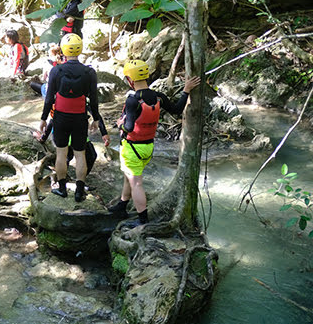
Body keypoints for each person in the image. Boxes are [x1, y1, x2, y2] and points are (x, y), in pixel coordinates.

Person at [108, 60, 201, 225]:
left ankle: (142, 220)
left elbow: (129, 127)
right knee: (129, 177)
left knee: (136, 183)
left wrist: (120, 123)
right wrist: (186, 90)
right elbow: (177, 109)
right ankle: (122, 205)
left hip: (132, 148)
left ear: (130, 80)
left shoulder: (132, 101)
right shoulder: (159, 97)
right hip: (148, 147)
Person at [38, 33, 109, 201]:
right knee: (80, 154)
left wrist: (43, 118)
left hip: (61, 118)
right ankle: (79, 191)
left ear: (63, 49)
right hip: (80, 118)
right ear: (80, 49)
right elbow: (93, 98)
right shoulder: (89, 72)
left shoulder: (56, 70)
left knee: (61, 153)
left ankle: (62, 189)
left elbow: (49, 98)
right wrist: (96, 119)